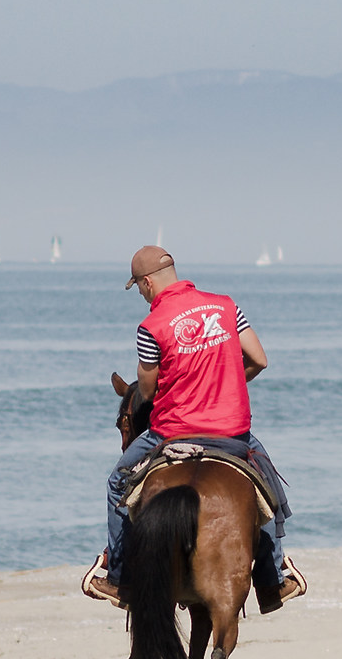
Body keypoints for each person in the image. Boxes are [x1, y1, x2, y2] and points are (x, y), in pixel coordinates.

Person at [92, 246, 304, 611]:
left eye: (140, 289)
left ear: (146, 282)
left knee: (117, 482)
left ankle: (120, 579)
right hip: (233, 432)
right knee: (266, 486)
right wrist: (226, 385)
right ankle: (273, 580)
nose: (142, 296)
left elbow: (146, 391)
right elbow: (259, 360)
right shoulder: (225, 306)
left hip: (174, 432)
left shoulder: (150, 326)